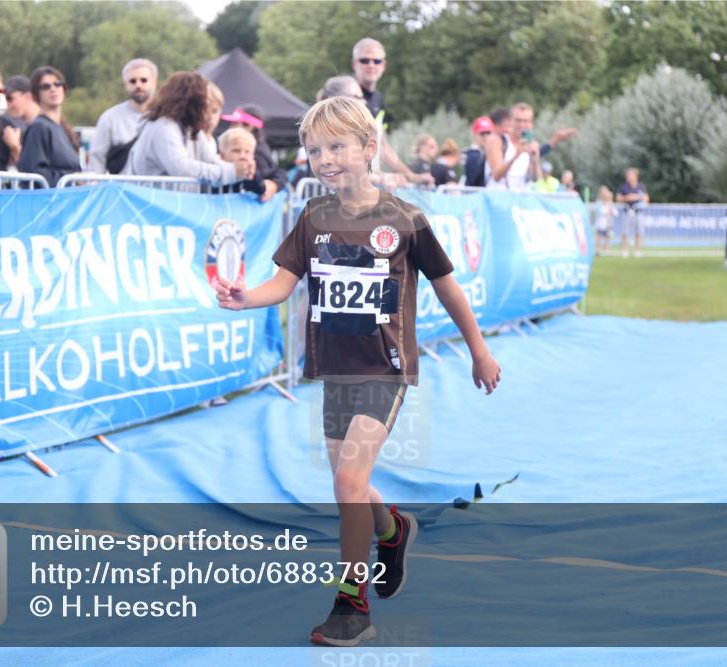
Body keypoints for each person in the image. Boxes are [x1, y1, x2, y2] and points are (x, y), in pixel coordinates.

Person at [213, 96, 501, 647]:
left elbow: (448, 288)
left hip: (385, 371)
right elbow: (283, 282)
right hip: (335, 371)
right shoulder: (313, 217)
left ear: (370, 149)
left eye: (337, 147)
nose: (325, 159)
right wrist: (245, 297)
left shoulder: (404, 220)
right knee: (353, 486)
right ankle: (393, 529)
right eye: (315, 150)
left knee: (347, 481)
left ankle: (352, 606)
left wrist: (479, 350)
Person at [124, 71, 255, 185]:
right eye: (203, 103)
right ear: (191, 102)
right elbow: (181, 168)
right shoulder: (163, 128)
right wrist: (231, 172)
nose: (206, 111)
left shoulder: (191, 129)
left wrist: (241, 171)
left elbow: (210, 160)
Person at [349, 38, 432, 185]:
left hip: (365, 186)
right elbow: (342, 148)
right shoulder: (346, 94)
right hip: (341, 188)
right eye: (365, 60)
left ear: (384, 65)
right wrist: (380, 177)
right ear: (354, 64)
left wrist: (412, 177)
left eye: (377, 61)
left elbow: (382, 146)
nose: (371, 65)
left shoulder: (378, 99)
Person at [87, 58, 157, 174]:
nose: (138, 85)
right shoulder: (110, 118)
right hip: (120, 189)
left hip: (155, 190)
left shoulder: (166, 117)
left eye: (144, 80)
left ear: (154, 82)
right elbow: (97, 159)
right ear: (126, 85)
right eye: (133, 81)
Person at [17, 66, 80, 187]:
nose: (53, 89)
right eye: (46, 87)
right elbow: (33, 175)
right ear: (36, 94)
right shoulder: (38, 128)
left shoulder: (63, 128)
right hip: (49, 201)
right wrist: (72, 179)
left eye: (58, 84)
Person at [221, 104, 287, 201]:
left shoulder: (258, 151)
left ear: (250, 126)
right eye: (236, 151)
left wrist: (273, 184)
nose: (231, 127)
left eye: (235, 123)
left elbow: (269, 175)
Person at [212, 128, 265, 196]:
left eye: (247, 152)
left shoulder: (254, 174)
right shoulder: (214, 173)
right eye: (236, 151)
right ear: (222, 155)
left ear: (253, 156)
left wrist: (253, 176)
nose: (243, 156)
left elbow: (261, 190)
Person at [617, 167, 650, 257]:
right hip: (627, 211)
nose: (629, 177)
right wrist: (628, 197)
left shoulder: (641, 187)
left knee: (639, 232)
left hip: (638, 211)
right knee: (625, 232)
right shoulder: (624, 187)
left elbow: (646, 199)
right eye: (628, 175)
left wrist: (636, 197)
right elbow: (618, 198)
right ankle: (624, 251)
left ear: (636, 176)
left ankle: (637, 251)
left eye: (630, 175)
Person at [463, 116, 494, 187]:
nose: (486, 137)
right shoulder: (473, 155)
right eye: (482, 134)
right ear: (475, 134)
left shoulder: (490, 153)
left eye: (488, 133)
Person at [595, 185, 616, 255]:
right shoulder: (599, 202)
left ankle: (607, 249)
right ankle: (598, 249)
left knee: (608, 237)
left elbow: (615, 213)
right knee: (599, 237)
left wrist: (609, 204)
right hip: (601, 223)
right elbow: (601, 211)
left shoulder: (610, 203)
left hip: (608, 223)